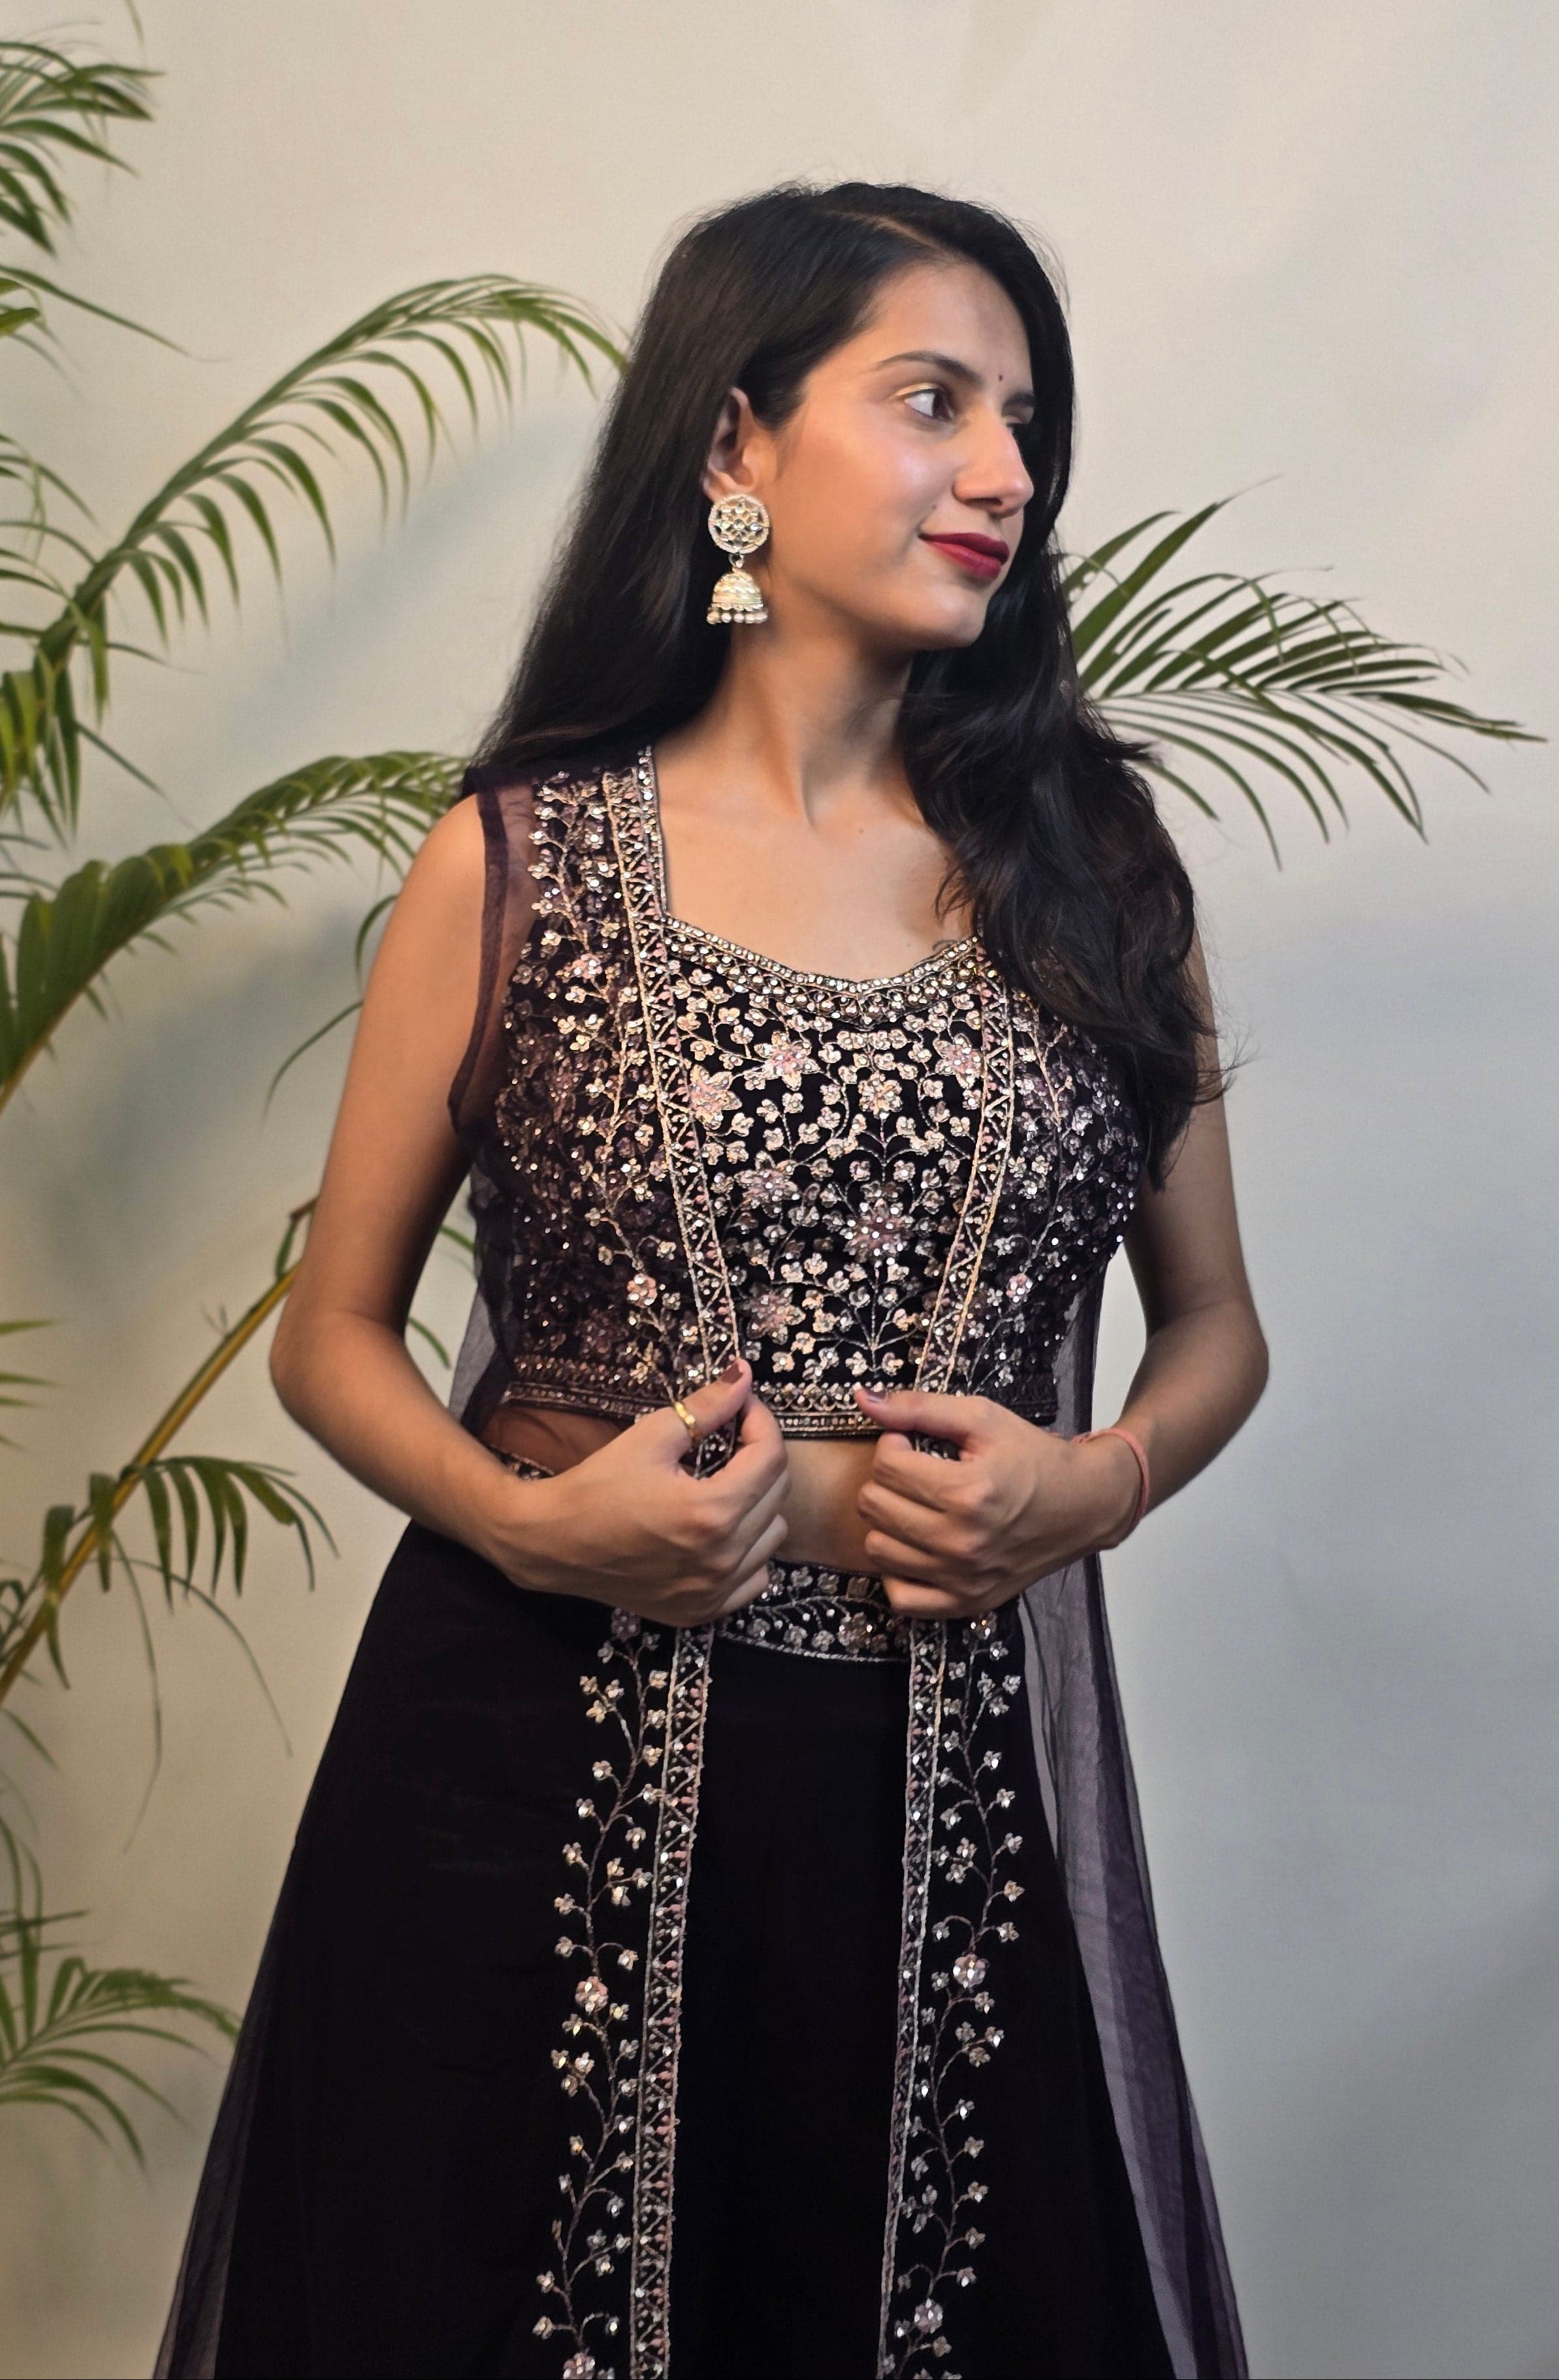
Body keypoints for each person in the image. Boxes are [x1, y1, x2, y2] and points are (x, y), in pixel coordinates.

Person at [157, 181, 1267, 2380]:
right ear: (736, 443)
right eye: (931, 401)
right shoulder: (518, 856)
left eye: (1023, 421)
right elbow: (332, 1336)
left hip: (943, 1810)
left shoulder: (1093, 866)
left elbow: (1215, 1326)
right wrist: (528, 1520)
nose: (1005, 472)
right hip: (516, 1782)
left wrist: (1094, 1483)